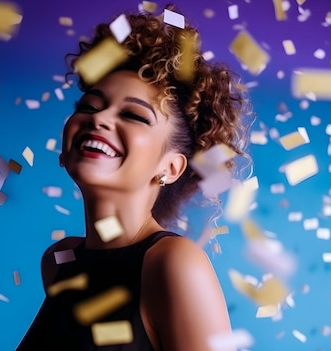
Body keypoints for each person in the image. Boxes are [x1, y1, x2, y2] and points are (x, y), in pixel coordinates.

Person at [17, 6, 250, 351]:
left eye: (133, 115)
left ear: (170, 167)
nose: (99, 120)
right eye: (90, 107)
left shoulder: (172, 263)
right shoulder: (59, 262)